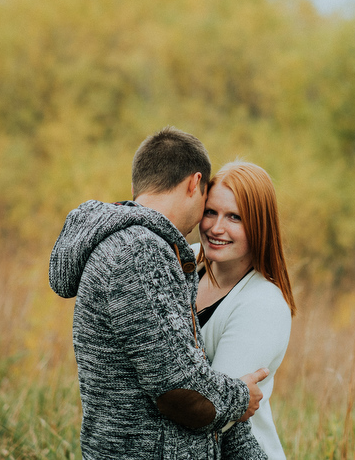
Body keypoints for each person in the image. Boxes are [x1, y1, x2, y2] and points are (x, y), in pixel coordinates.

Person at [49, 127, 270, 460]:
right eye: (208, 204)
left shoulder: (135, 246)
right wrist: (241, 397)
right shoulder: (140, 252)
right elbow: (177, 388)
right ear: (195, 183)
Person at [192, 161, 296, 460]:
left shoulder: (263, 304)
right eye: (210, 212)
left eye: (234, 217)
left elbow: (213, 410)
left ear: (259, 226)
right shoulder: (188, 260)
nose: (216, 227)